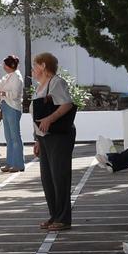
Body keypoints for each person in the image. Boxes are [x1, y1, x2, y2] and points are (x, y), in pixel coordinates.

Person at [31, 52, 76, 232]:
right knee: (48, 178)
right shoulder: (39, 87)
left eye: (35, 66)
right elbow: (36, 116)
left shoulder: (56, 82)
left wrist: (50, 118)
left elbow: (67, 104)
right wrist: (37, 140)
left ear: (43, 66)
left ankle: (63, 218)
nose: (33, 70)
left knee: (60, 176)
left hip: (59, 135)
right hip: (45, 137)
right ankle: (54, 215)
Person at [0, 55, 26, 172]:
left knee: (15, 136)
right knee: (8, 137)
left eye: (5, 64)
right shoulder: (8, 76)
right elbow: (0, 89)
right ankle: (10, 162)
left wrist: (2, 93)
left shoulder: (17, 77)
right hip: (6, 106)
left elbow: (15, 94)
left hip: (13, 107)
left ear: (10, 66)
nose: (3, 66)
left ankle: (19, 164)